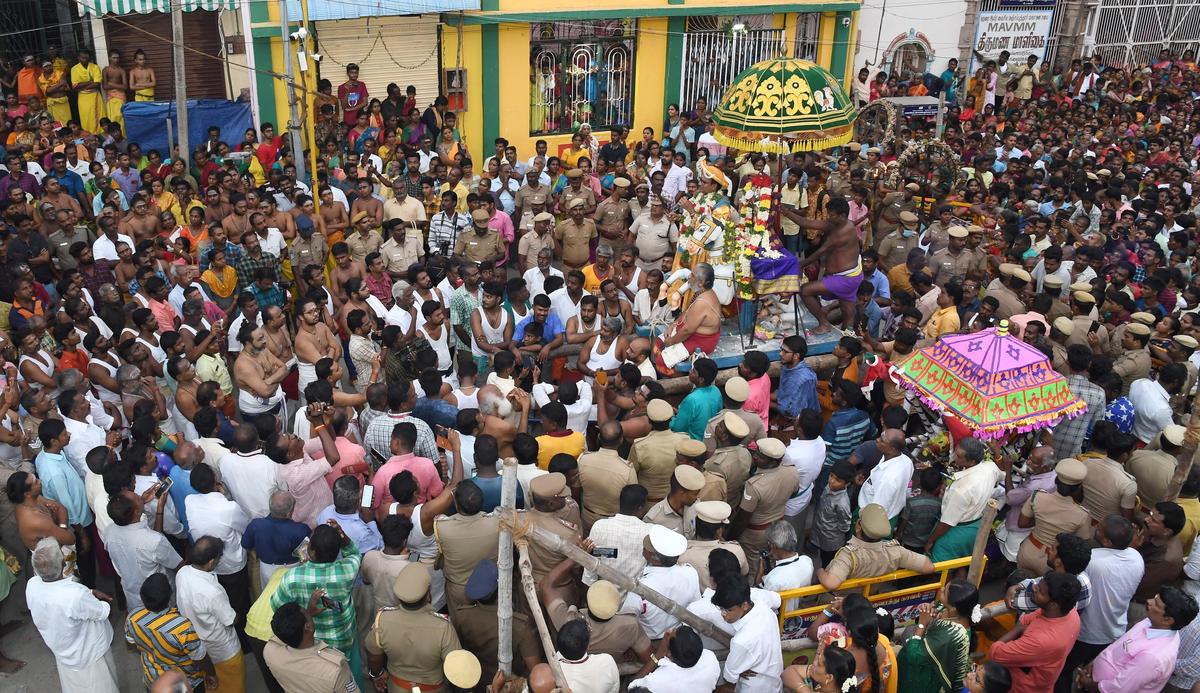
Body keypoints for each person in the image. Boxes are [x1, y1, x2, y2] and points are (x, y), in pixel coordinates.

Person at [1055, 514, 1144, 692]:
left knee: (1063, 671)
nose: (1096, 527)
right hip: (1114, 631)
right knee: (1093, 675)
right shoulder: (1136, 558)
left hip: (1086, 633)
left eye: (1100, 528)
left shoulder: (1093, 561)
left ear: (1107, 541)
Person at [25, 537, 120, 693]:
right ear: (63, 563)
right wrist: (98, 600)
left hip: (64, 652)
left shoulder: (32, 585)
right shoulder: (74, 595)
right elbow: (102, 612)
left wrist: (88, 593)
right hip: (89, 653)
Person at [1078, 587, 1199, 693]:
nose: (1149, 601)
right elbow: (1121, 643)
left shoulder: (1153, 658)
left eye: (1156, 604)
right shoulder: (1153, 622)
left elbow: (1119, 689)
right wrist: (1095, 662)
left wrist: (1089, 684)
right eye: (1155, 597)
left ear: (1168, 620)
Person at [365, 562, 462, 692]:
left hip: (396, 687)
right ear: (428, 595)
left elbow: (374, 657)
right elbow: (456, 669)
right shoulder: (443, 627)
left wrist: (377, 675)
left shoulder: (382, 619)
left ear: (399, 597)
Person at [990, 570, 1082, 693]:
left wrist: (1017, 629)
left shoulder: (1042, 640)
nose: (1033, 588)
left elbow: (995, 653)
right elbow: (1026, 619)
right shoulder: (1070, 613)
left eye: (1040, 591)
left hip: (1022, 688)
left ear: (1054, 605)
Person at [126, 572, 219, 691]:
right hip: (185, 682)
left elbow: (132, 644)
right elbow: (200, 657)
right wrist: (211, 673)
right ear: (170, 594)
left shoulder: (133, 617)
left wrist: (155, 651)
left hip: (154, 681)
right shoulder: (182, 627)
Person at [177, 536, 245, 693]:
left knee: (213, 686)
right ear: (211, 562)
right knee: (234, 687)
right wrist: (239, 614)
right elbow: (230, 620)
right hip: (223, 651)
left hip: (198, 648)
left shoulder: (183, 573)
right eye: (219, 558)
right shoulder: (212, 592)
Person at [815, 503, 933, 590]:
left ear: (858, 526)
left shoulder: (849, 555)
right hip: (870, 597)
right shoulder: (895, 551)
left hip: (843, 602)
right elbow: (928, 567)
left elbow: (831, 583)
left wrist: (820, 571)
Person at [897, 579, 979, 692]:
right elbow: (932, 612)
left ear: (954, 608)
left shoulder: (951, 635)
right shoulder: (951, 609)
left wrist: (922, 624)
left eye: (945, 591)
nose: (941, 589)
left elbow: (914, 655)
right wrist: (927, 608)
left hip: (925, 676)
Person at [264, 600, 360, 693]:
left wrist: (306, 617)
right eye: (306, 612)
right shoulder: (335, 670)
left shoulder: (269, 651)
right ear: (308, 627)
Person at [712, 573, 784, 693]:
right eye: (721, 608)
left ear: (744, 605)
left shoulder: (742, 641)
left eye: (728, 610)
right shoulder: (763, 607)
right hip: (774, 681)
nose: (723, 614)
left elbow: (729, 681)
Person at [627, 625, 721, 692]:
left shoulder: (656, 681)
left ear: (669, 654)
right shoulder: (710, 658)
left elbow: (632, 687)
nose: (668, 632)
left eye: (671, 633)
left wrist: (658, 654)